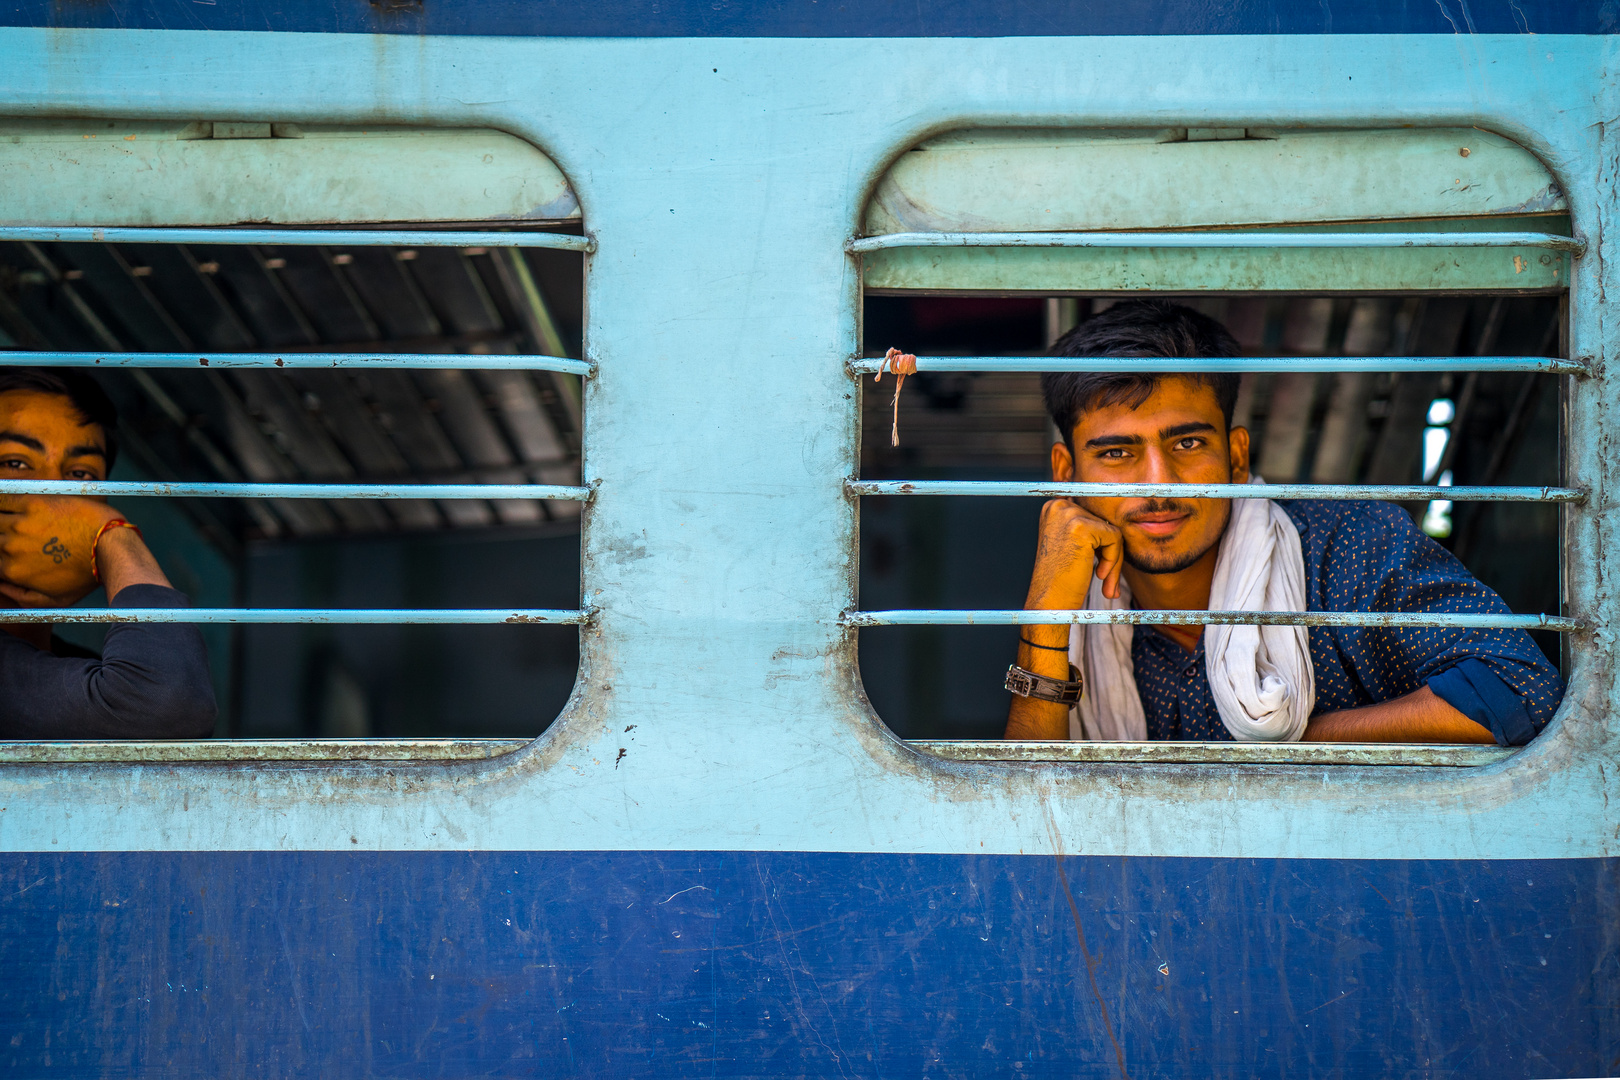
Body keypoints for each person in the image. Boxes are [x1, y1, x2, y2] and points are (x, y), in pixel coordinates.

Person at [1002, 300, 1563, 745]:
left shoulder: (1347, 549)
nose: (1159, 482)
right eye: (1118, 454)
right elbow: (1024, 809)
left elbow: (1519, 690)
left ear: (1237, 456)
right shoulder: (1074, 600)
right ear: (1064, 476)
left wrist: (1286, 749)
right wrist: (1047, 622)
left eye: (1188, 443)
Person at [0, 368, 216, 739]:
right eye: (15, 464)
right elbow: (168, 700)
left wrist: (110, 534)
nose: (55, 499)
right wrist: (115, 534)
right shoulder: (122, 692)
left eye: (81, 475)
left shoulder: (92, 677)